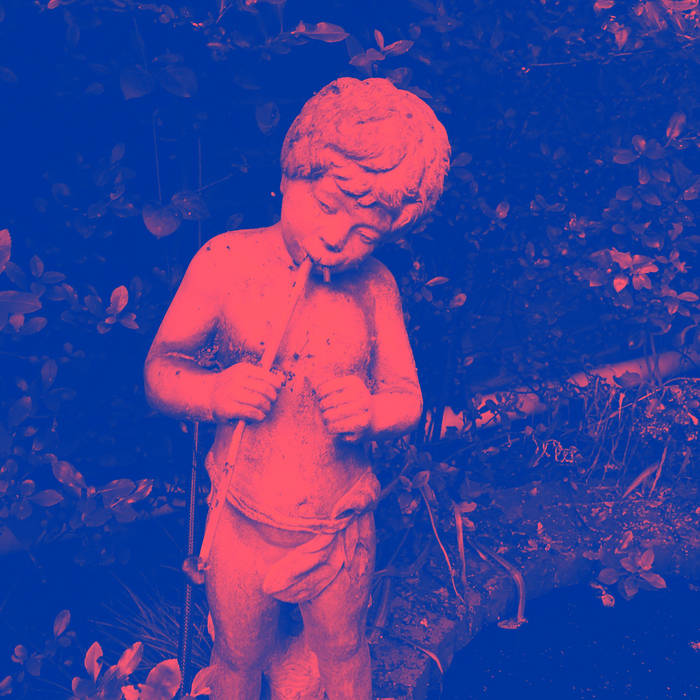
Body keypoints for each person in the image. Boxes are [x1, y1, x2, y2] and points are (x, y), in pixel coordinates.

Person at [144, 76, 450, 700]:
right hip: (242, 522)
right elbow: (160, 371)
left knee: (343, 651)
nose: (339, 238)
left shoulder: (375, 287)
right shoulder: (225, 263)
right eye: (329, 205)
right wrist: (215, 393)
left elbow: (407, 398)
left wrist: (372, 412)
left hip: (336, 525)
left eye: (367, 233)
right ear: (291, 173)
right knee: (236, 655)